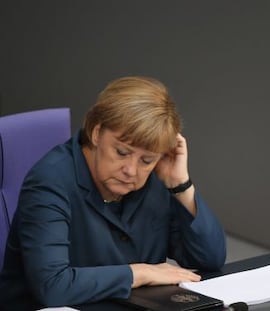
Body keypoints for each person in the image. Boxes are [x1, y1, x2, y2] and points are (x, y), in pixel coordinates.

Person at [0, 76, 226, 310]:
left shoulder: (156, 177)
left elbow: (209, 260)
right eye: (121, 152)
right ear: (96, 133)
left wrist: (180, 185)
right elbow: (53, 287)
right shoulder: (49, 181)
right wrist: (139, 273)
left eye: (146, 160)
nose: (130, 170)